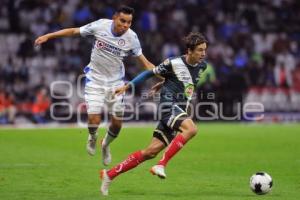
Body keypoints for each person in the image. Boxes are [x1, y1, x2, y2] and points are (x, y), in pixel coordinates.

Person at [34, 6, 155, 165]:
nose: (125, 25)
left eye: (129, 22)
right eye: (122, 21)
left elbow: (145, 63)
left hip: (116, 84)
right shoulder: (100, 25)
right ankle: (92, 136)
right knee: (93, 120)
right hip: (95, 80)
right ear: (114, 18)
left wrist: (164, 73)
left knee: (117, 124)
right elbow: (74, 31)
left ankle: (105, 145)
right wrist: (48, 36)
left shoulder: (132, 38)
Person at [100, 32, 208, 196]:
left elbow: (185, 81)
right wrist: (127, 87)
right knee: (191, 129)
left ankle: (109, 175)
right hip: (168, 106)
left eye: (204, 50)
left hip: (179, 108)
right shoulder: (173, 62)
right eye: (200, 50)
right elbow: (148, 73)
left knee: (149, 152)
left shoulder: (202, 66)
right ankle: (161, 164)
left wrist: (163, 82)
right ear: (190, 50)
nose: (203, 54)